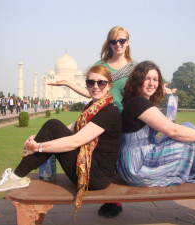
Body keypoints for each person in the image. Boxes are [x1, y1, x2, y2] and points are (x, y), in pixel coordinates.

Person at [51, 26, 176, 217]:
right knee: (103, 156)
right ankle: (108, 197)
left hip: (128, 117)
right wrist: (70, 85)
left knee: (119, 157)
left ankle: (115, 201)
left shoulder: (135, 67)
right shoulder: (101, 65)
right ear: (109, 43)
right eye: (114, 41)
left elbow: (144, 88)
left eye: (122, 41)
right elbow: (94, 91)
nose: (118, 45)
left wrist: (161, 91)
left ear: (128, 42)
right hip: (105, 115)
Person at [0, 65, 122, 218]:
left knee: (52, 125)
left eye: (101, 83)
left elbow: (75, 141)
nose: (95, 86)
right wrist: (37, 138)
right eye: (91, 83)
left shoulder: (109, 111)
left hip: (96, 177)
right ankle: (17, 176)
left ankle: (16, 176)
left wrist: (39, 147)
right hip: (90, 169)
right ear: (86, 84)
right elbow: (69, 128)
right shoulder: (93, 108)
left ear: (109, 85)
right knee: (52, 126)